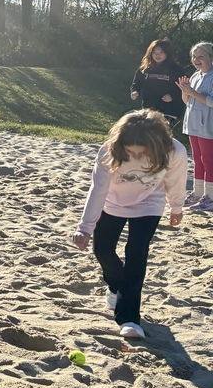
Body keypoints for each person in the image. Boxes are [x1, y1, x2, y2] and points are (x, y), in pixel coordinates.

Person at [71, 109, 185, 339]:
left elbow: (176, 180)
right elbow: (98, 189)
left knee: (136, 254)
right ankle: (116, 287)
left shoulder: (174, 151)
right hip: (112, 202)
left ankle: (130, 319)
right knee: (102, 249)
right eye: (129, 151)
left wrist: (176, 207)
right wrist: (85, 227)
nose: (133, 155)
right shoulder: (109, 149)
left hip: (148, 204)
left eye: (140, 152)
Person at [177, 41, 213, 210]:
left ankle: (210, 196)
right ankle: (197, 193)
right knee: (197, 159)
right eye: (194, 56)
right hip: (193, 123)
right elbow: (187, 101)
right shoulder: (195, 75)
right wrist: (185, 90)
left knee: (208, 160)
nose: (196, 60)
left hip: (208, 125)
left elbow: (210, 102)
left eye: (201, 56)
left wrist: (192, 92)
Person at [130, 39, 186, 127]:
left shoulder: (176, 70)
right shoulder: (145, 69)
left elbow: (184, 88)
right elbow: (137, 83)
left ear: (168, 53)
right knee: (149, 134)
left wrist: (172, 96)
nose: (157, 55)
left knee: (160, 134)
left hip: (169, 110)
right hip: (149, 107)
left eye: (161, 52)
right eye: (154, 52)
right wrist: (135, 91)